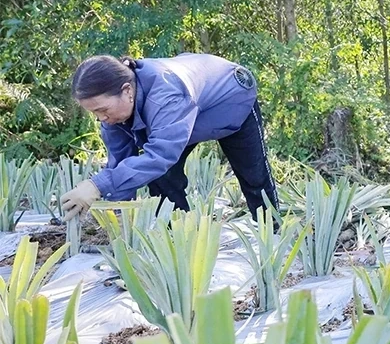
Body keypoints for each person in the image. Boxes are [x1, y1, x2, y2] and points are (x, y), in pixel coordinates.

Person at [61, 53, 278, 220]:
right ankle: (179, 237)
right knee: (160, 180)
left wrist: (97, 185)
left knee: (254, 178)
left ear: (127, 91)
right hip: (184, 116)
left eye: (102, 109)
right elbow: (120, 166)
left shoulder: (165, 97)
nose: (101, 119)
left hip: (231, 101)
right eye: (94, 113)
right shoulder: (113, 115)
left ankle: (274, 233)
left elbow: (160, 157)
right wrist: (117, 215)